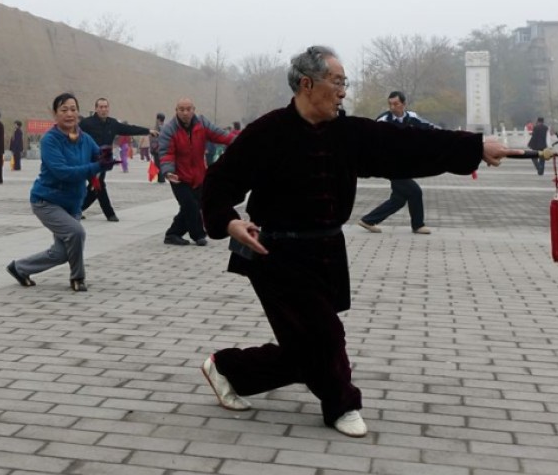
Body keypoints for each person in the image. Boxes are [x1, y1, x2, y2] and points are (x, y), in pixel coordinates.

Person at [199, 45, 511, 438]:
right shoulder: (268, 132)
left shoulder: (349, 133)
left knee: (304, 347)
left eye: (345, 82)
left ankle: (227, 368)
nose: (343, 90)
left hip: (326, 252)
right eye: (338, 81)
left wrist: (475, 148)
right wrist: (229, 222)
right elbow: (217, 182)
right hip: (273, 253)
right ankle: (342, 404)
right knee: (326, 336)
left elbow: (409, 145)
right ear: (308, 84)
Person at [6, 93, 113, 292]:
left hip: (72, 203)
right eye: (64, 110)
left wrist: (106, 158)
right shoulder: (50, 140)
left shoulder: (85, 139)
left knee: (61, 253)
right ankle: (78, 278)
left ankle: (19, 268)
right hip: (47, 201)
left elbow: (98, 158)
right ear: (55, 114)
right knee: (76, 232)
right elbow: (62, 173)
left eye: (73, 109)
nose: (69, 114)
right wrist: (95, 166)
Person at [158, 98, 237, 247]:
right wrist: (168, 171)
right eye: (181, 109)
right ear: (176, 111)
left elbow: (220, 135)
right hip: (178, 176)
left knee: (195, 206)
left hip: (199, 175)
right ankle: (198, 235)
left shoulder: (202, 123)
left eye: (188, 109)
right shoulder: (169, 129)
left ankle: (172, 234)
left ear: (194, 110)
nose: (185, 113)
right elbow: (166, 153)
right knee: (190, 206)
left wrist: (242, 141)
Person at [357, 91, 437, 234]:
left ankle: (368, 220)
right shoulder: (383, 120)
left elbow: (430, 128)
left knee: (399, 199)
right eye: (390, 104)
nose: (393, 107)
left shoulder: (412, 117)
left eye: (396, 104)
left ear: (404, 104)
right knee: (415, 191)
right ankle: (418, 225)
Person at [80, 98, 157, 221]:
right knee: (98, 185)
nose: (103, 109)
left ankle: (76, 209)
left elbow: (129, 129)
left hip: (104, 160)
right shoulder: (86, 123)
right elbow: (73, 135)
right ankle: (109, 213)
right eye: (101, 107)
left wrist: (147, 131)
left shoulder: (113, 123)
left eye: (106, 107)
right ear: (96, 108)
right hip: (89, 160)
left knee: (94, 187)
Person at [150, 112, 166, 183]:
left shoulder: (158, 127)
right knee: (160, 164)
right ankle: (161, 179)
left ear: (158, 119)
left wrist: (153, 148)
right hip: (161, 149)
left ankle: (161, 179)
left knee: (158, 165)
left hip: (157, 149)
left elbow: (155, 139)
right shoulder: (165, 127)